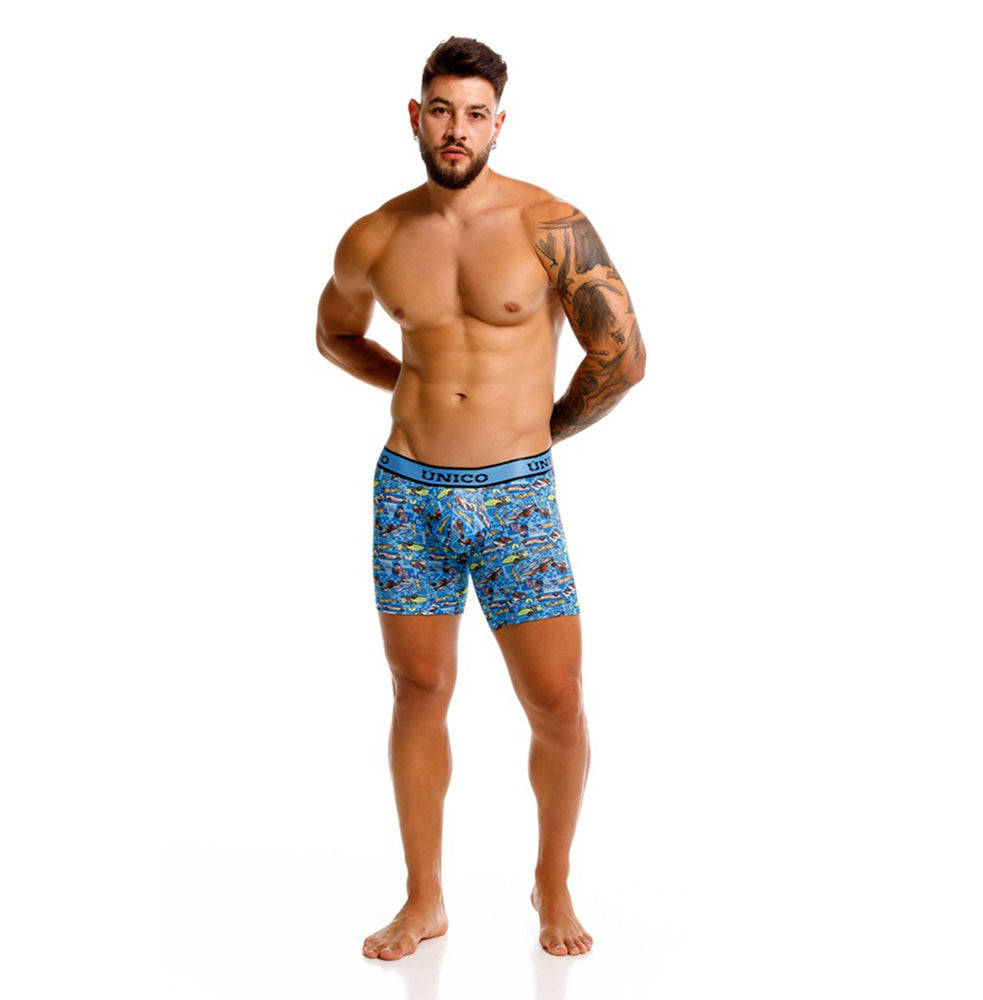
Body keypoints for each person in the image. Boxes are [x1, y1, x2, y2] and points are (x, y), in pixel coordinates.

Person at [316, 36, 645, 960]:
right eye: (440, 111)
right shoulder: (375, 234)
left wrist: (545, 431)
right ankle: (423, 898)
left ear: (499, 123)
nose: (455, 129)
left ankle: (553, 884)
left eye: (474, 114)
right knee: (418, 689)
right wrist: (410, 386)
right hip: (409, 494)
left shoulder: (550, 225)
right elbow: (335, 333)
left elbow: (623, 357)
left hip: (515, 499)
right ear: (415, 117)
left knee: (557, 702)